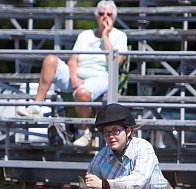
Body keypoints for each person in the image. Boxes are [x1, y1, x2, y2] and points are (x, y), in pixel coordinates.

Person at [16, 1, 127, 147]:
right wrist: (74, 78)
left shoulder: (120, 36)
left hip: (103, 77)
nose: (104, 17)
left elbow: (114, 63)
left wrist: (105, 35)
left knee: (82, 93)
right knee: (50, 60)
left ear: (114, 17)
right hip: (78, 76)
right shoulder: (85, 35)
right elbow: (73, 60)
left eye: (109, 14)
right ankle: (37, 106)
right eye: (101, 13)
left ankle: (85, 133)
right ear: (96, 16)